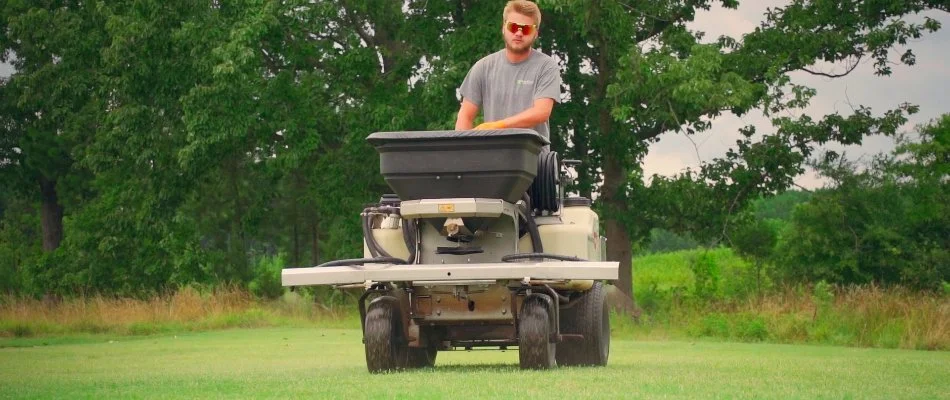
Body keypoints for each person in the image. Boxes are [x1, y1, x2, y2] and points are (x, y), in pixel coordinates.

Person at [454, 0, 562, 141]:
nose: (518, 33)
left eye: (526, 29)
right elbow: (465, 116)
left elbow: (541, 112)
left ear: (535, 33)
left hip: (534, 158)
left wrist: (497, 126)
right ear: (503, 28)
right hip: (493, 157)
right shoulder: (483, 67)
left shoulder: (546, 66)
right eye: (513, 26)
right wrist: (463, 152)